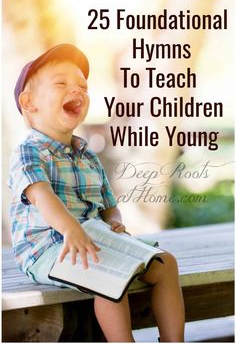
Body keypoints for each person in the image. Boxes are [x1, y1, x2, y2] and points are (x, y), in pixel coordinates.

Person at [8, 44, 185, 342]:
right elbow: (41, 195)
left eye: (82, 86)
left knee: (165, 264)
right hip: (47, 248)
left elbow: (107, 203)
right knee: (109, 276)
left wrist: (114, 220)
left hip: (93, 237)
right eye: (61, 83)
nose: (76, 90)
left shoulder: (85, 152)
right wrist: (71, 229)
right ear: (29, 103)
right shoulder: (29, 151)